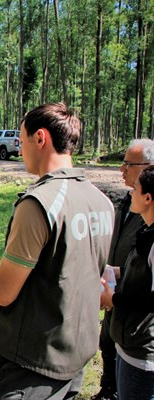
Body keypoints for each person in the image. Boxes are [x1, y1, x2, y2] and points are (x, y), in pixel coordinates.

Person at [0, 103, 114, 399]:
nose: (19, 148)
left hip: (30, 366)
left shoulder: (39, 204)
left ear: (40, 138)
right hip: (76, 357)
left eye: (22, 139)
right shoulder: (102, 201)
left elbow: (3, 292)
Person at [93, 139, 154, 400]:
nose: (122, 169)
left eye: (129, 164)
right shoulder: (128, 203)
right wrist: (117, 273)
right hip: (124, 324)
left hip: (141, 342)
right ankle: (109, 390)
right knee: (107, 344)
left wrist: (115, 297)